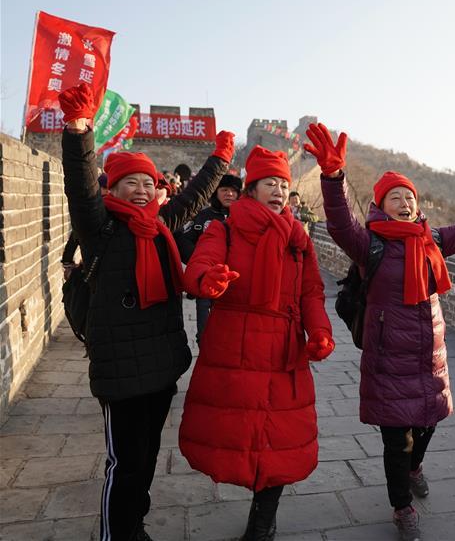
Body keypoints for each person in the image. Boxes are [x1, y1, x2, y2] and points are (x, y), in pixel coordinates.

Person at [304, 121, 455, 541]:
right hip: (388, 357)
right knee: (396, 440)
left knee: (428, 423)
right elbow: (339, 225)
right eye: (395, 197)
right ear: (380, 206)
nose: (404, 202)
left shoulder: (432, 240)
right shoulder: (370, 244)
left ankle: (416, 467)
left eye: (409, 196)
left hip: (429, 355)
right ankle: (401, 506)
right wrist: (333, 179)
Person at [57, 83, 233, 541]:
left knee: (149, 455)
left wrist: (220, 160)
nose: (140, 190)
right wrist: (78, 131)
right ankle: (116, 533)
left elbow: (193, 198)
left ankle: (133, 524)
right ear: (111, 188)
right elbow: (79, 185)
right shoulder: (100, 229)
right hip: (120, 371)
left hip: (160, 366)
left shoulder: (159, 227)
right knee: (125, 462)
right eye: (129, 183)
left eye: (148, 183)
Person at [179, 145, 335, 541]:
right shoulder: (226, 228)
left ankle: (262, 524)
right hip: (235, 343)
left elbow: (312, 293)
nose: (279, 190)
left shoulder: (298, 239)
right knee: (238, 436)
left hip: (284, 349)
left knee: (279, 439)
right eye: (270, 183)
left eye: (284, 183)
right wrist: (207, 280)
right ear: (252, 189)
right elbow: (201, 263)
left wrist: (319, 332)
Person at [176, 173, 243, 343]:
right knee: (206, 335)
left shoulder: (245, 217)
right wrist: (200, 261)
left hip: (237, 283)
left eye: (234, 191)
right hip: (207, 283)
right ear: (216, 192)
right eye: (224, 190)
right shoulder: (203, 216)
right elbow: (182, 239)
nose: (229, 194)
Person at [62, 173, 108, 281]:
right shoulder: (92, 210)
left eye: (110, 188)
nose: (108, 191)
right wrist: (67, 262)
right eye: (105, 188)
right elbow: (76, 236)